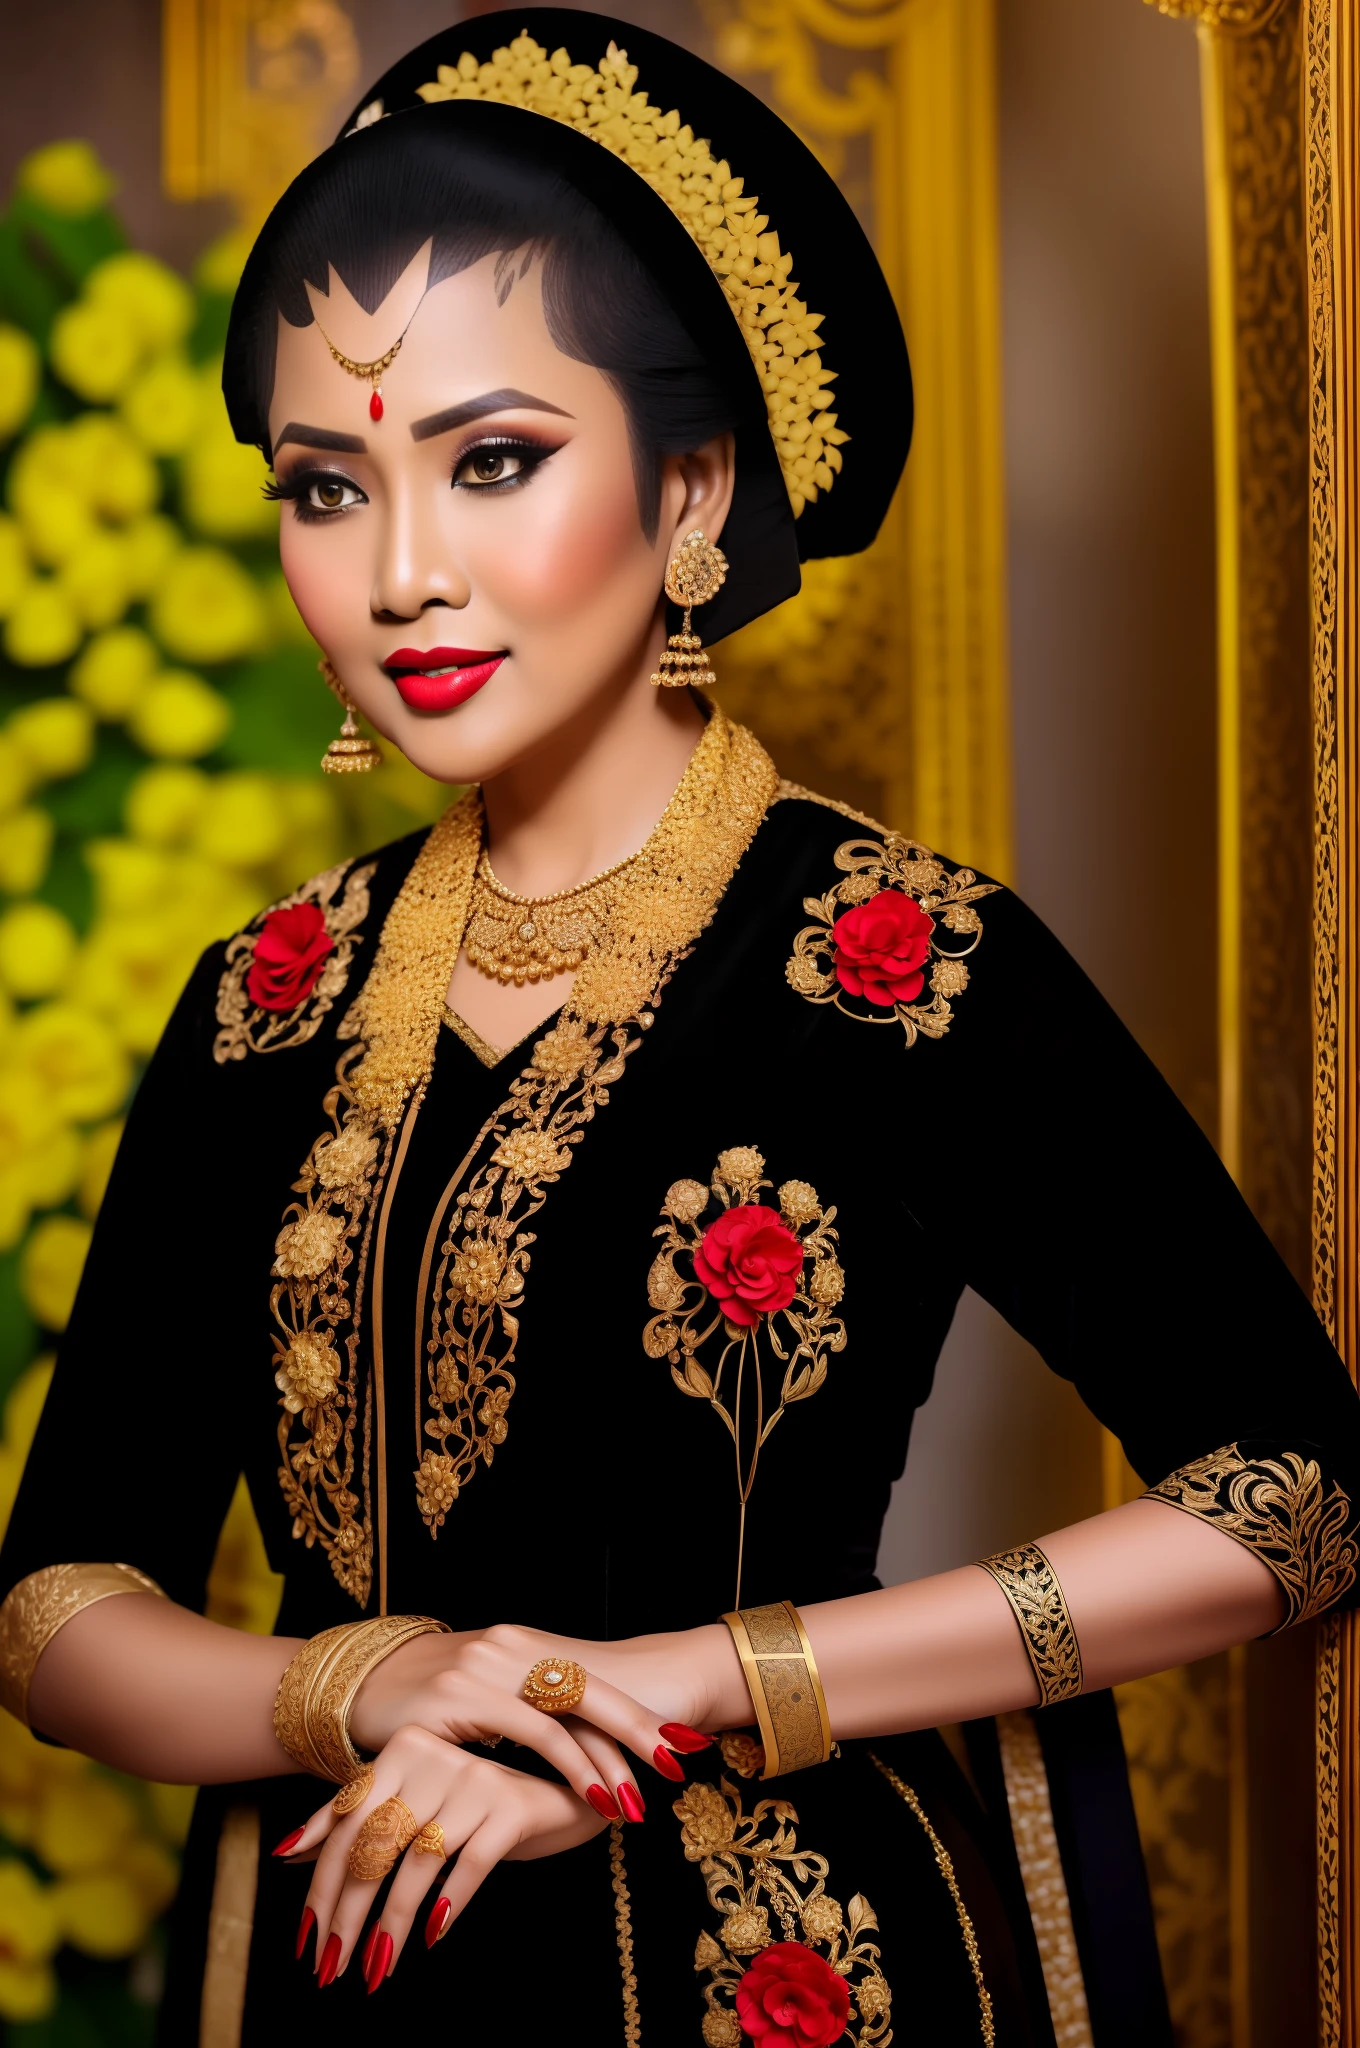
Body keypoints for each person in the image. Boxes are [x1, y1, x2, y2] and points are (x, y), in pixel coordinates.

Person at [1, 12, 1355, 2043]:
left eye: (491, 461)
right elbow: (53, 1605)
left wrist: (696, 1682)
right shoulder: (263, 1005)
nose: (397, 574)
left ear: (691, 483)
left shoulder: (893, 960)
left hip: (768, 1969)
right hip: (346, 1959)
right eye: (319, 482)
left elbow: (1291, 1492)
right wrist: (353, 1682)